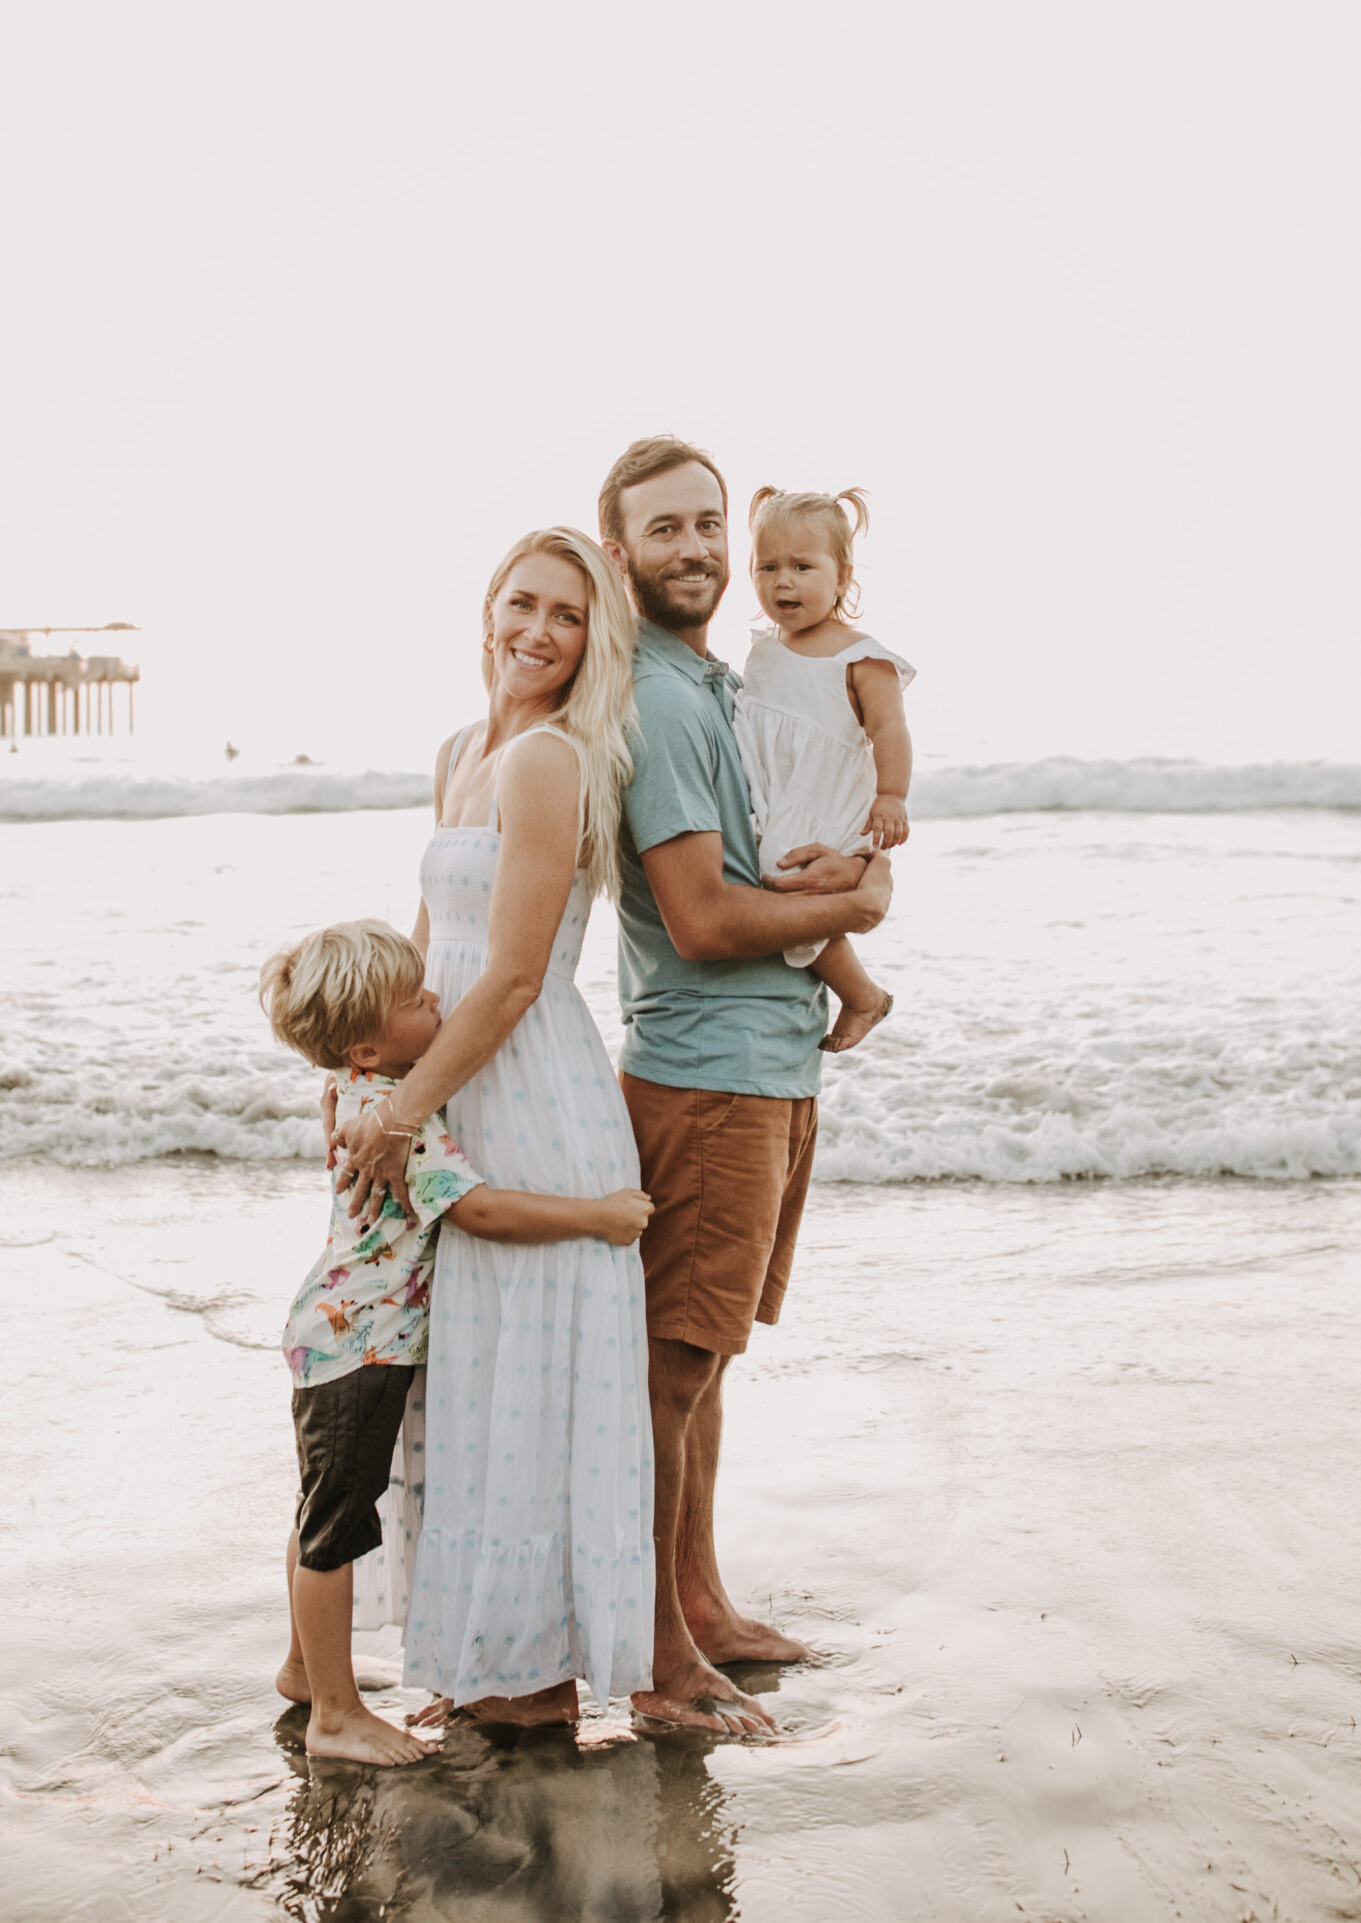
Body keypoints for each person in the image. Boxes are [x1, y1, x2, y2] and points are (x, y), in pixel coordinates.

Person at [334, 528, 655, 1728]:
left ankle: (533, 1684)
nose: (537, 629)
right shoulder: (460, 750)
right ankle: (482, 1665)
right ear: (487, 606)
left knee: (526, 1387)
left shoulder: (549, 763)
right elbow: (426, 952)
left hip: (532, 1095)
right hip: (450, 1081)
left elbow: (515, 975)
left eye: (567, 615)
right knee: (465, 1387)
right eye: (522, 602)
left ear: (591, 642)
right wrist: (364, 1078)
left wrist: (407, 1110)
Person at [597, 434, 894, 1733]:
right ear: (619, 551)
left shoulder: (716, 682)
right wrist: (848, 903)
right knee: (671, 1370)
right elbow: (706, 918)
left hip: (767, 1066)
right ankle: (663, 1659)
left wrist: (851, 892)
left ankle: (702, 1604)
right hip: (707, 1078)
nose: (697, 551)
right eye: (663, 530)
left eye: (707, 525)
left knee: (704, 1365)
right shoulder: (660, 701)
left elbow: (786, 867)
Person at [262, 917, 651, 1767]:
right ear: (367, 1047)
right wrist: (599, 1217)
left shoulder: (362, 1095)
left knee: (320, 1510)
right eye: (415, 998)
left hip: (334, 1337)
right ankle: (334, 1712)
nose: (436, 996)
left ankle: (303, 1670)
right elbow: (478, 1212)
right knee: (335, 1523)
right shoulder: (400, 1126)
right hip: (359, 1348)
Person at [733, 483, 915, 1054]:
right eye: (768, 566)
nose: (782, 581)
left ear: (842, 576)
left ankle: (862, 993)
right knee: (776, 882)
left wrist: (892, 795)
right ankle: (860, 992)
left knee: (786, 882)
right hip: (774, 795)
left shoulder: (859, 655)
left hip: (823, 797)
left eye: (802, 566)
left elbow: (889, 729)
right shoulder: (763, 649)